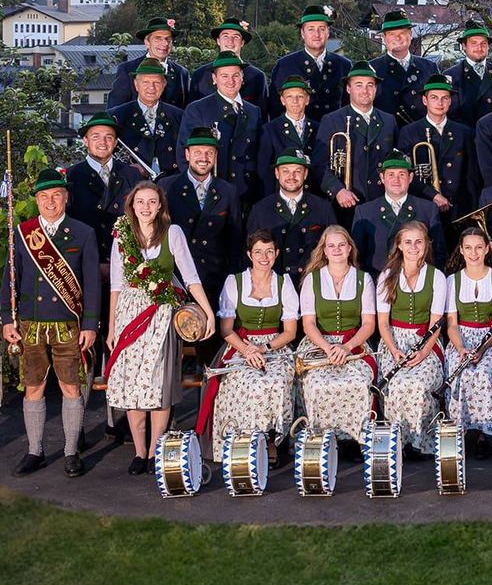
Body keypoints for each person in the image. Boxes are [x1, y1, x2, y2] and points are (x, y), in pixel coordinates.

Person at [104, 182, 216, 475]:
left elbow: (190, 276)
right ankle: (139, 452)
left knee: (158, 384)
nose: (146, 207)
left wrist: (208, 313)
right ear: (132, 205)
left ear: (160, 206)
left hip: (162, 316)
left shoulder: (173, 233)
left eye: (151, 202)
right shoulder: (121, 236)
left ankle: (155, 450)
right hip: (130, 313)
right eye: (140, 202)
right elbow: (116, 285)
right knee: (133, 386)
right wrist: (113, 327)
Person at [1, 168, 99, 478]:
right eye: (44, 196)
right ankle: (35, 451)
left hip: (68, 325)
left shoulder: (83, 233)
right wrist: (6, 319)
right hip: (31, 324)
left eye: (56, 195)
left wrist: (90, 324)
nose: (50, 201)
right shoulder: (23, 232)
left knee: (71, 386)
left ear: (66, 197)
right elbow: (9, 281)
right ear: (37, 200)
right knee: (34, 387)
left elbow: (93, 283)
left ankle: (71, 452)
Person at [197, 230, 299, 462]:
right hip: (240, 345)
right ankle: (242, 439)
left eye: (269, 252)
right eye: (258, 252)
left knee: (277, 380)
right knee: (244, 382)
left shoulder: (284, 284)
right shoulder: (235, 282)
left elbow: (290, 332)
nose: (264, 257)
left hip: (274, 347)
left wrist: (263, 348)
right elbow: (226, 330)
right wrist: (247, 350)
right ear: (249, 255)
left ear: (277, 254)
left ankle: (270, 439)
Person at [295, 226, 377, 450]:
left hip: (354, 343)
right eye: (331, 246)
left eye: (341, 245)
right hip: (319, 343)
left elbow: (369, 324)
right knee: (317, 383)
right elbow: (308, 324)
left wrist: (347, 347)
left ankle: (354, 438)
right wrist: (328, 347)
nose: (337, 249)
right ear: (324, 250)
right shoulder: (313, 280)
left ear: (349, 248)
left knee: (359, 382)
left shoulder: (363, 279)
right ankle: (321, 439)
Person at [375, 220, 448, 457]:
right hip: (394, 341)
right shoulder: (387, 275)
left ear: (426, 245)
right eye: (408, 242)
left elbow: (436, 322)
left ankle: (420, 441)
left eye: (419, 242)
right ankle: (399, 440)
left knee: (418, 384)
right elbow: (383, 323)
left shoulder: (436, 277)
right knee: (396, 384)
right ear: (399, 245)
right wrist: (394, 350)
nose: (413, 247)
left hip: (426, 342)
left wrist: (424, 352)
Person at [160, 127, 243, 308]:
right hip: (177, 279)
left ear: (215, 156)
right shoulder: (167, 187)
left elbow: (235, 239)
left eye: (209, 153)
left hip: (214, 279)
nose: (203, 158)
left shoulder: (228, 190)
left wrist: (232, 278)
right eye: (197, 152)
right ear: (187, 154)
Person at [444, 225, 492, 460]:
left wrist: (482, 348)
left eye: (479, 247)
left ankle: (484, 433)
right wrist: (461, 348)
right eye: (469, 248)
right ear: (461, 250)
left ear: (486, 250)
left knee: (483, 372)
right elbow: (451, 323)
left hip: (488, 340)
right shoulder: (452, 281)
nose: (474, 253)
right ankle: (458, 430)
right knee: (458, 371)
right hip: (461, 338)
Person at [65, 113, 145, 283]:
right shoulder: (71, 176)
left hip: (126, 266)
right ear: (85, 141)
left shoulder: (132, 175)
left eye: (109, 137)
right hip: (85, 266)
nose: (103, 142)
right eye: (96, 136)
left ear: (116, 143)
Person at [313, 62, 398, 220]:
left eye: (370, 85)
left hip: (382, 204)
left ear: (376, 89)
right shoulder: (332, 120)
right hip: (346, 204)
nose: (365, 91)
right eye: (358, 85)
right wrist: (337, 190)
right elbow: (319, 165)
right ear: (348, 88)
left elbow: (397, 162)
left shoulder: (388, 120)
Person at [177, 53, 263, 207]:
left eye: (235, 75)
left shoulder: (254, 111)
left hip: (247, 194)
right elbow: (184, 155)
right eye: (224, 76)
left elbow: (258, 154)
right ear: (214, 79)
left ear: (242, 78)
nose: (231, 81)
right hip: (212, 194)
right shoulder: (198, 109)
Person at [245, 151, 335, 283]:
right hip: (274, 285)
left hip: (312, 283)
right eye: (285, 171)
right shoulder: (260, 209)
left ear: (305, 174)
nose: (291, 176)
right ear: (277, 173)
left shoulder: (323, 208)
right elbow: (249, 253)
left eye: (297, 171)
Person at [350, 152, 445, 274]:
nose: (396, 180)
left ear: (410, 178)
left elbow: (439, 253)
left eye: (401, 174)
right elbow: (356, 256)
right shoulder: (364, 212)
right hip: (377, 283)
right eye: (391, 174)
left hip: (418, 283)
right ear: (382, 178)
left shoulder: (428, 209)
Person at [396, 74, 475, 219]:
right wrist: (433, 195)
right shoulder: (409, 132)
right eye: (434, 97)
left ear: (450, 101)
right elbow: (405, 173)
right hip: (423, 206)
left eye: (445, 98)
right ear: (425, 100)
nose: (440, 102)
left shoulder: (464, 132)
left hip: (457, 208)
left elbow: (471, 175)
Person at [268, 4, 351, 123]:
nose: (316, 35)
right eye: (311, 29)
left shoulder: (344, 65)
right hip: (298, 137)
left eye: (321, 29)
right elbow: (275, 109)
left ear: (328, 32)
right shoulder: (285, 65)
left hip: (334, 134)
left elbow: (348, 107)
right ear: (302, 33)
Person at [108, 58, 183, 180]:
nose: (151, 88)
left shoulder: (179, 116)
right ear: (136, 85)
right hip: (132, 185)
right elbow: (105, 155)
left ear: (164, 85)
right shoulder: (117, 116)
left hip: (171, 185)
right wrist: (129, 169)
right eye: (146, 82)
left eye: (156, 83)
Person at [369, 8, 438, 129]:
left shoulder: (429, 67)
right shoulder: (372, 69)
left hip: (422, 136)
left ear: (410, 35)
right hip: (386, 138)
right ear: (384, 38)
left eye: (402, 33)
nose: (398, 38)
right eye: (392, 34)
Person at [107, 16, 190, 110]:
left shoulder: (182, 73)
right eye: (158, 39)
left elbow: (187, 112)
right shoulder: (127, 70)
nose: (165, 44)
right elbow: (114, 111)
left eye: (168, 39)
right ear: (147, 42)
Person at [255, 76, 318, 196]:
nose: (295, 101)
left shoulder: (318, 128)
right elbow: (264, 171)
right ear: (282, 100)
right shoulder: (269, 130)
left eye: (300, 96)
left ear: (307, 99)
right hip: (281, 196)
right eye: (290, 97)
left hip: (314, 196)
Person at [190, 18, 268, 107]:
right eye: (225, 36)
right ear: (218, 41)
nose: (230, 41)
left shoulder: (257, 77)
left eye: (236, 37)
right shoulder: (199, 75)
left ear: (242, 42)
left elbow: (262, 116)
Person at [443, 22, 492, 130]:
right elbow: (449, 114)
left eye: (483, 44)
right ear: (464, 46)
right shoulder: (451, 76)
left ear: (488, 47)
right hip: (465, 138)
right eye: (474, 43)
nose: (479, 48)